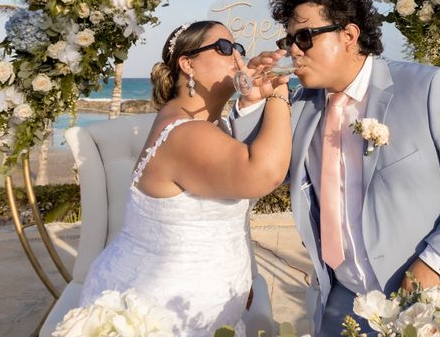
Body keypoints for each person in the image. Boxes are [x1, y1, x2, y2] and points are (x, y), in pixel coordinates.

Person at [230, 0, 440, 335]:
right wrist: (254, 101)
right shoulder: (300, 107)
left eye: (304, 37)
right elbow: (261, 170)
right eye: (288, 41)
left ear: (349, 35)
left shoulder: (429, 89)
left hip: (438, 301)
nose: (293, 51)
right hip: (342, 307)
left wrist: (434, 264)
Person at [78, 20, 292, 336]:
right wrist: (278, 91)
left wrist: (251, 100)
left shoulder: (207, 126)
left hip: (202, 311)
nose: (237, 57)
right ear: (187, 63)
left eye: (239, 49)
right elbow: (265, 174)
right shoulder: (185, 133)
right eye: (224, 47)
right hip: (161, 316)